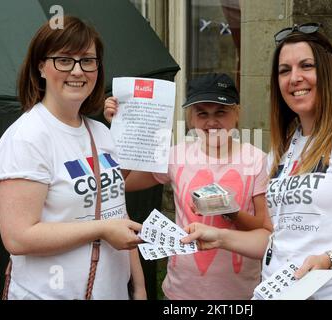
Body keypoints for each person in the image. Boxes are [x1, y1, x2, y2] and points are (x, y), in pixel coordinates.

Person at [181, 23, 332, 300]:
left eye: (306, 66)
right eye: (284, 70)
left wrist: (329, 259)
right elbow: (276, 240)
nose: (295, 78)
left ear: (328, 73)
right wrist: (219, 238)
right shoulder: (281, 151)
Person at [0, 16, 146, 300]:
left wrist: (139, 286)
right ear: (41, 67)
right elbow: (18, 237)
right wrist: (102, 229)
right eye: (64, 60)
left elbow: (114, 212)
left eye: (87, 60)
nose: (77, 71)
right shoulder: (29, 137)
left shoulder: (100, 132)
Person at [104, 73, 270, 300]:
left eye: (221, 112)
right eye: (202, 113)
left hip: (241, 294)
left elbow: (264, 229)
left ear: (237, 113)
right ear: (190, 119)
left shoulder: (258, 160)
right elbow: (119, 184)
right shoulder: (176, 156)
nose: (211, 122)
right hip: (181, 292)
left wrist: (231, 212)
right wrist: (121, 129)